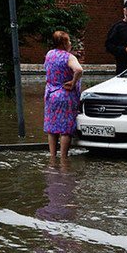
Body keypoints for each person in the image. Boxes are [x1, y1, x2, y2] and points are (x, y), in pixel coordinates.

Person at [44, 30, 83, 159]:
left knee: (52, 127)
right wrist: (73, 82)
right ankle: (63, 159)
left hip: (50, 94)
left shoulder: (49, 54)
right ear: (64, 43)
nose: (71, 43)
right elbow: (78, 70)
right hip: (65, 95)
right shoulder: (68, 57)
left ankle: (52, 157)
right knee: (65, 129)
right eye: (69, 40)